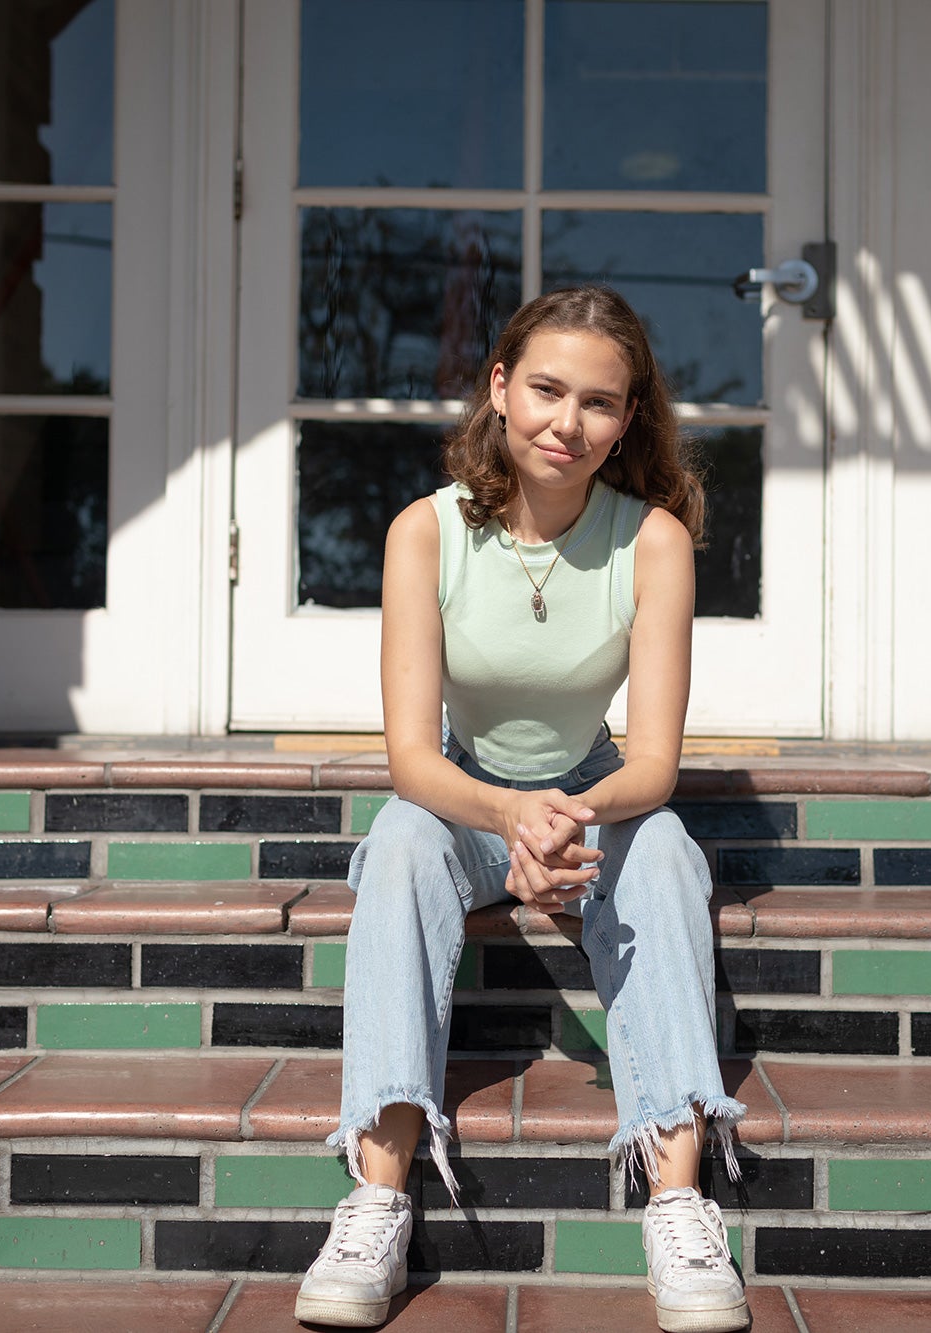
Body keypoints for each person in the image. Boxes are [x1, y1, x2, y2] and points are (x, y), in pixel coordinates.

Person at [293, 286, 750, 1333]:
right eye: (545, 389)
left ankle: (677, 1200)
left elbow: (656, 766)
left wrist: (561, 817)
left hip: (595, 788)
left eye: (598, 402)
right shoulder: (427, 532)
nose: (566, 422)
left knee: (669, 853)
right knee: (401, 845)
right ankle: (376, 1195)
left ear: (626, 419)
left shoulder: (654, 542)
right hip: (461, 792)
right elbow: (410, 756)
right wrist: (507, 817)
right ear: (498, 388)